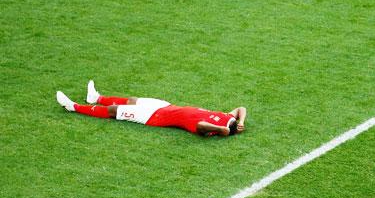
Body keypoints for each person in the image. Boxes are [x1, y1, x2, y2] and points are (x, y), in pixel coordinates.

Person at [56, 81, 247, 136]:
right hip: (165, 106)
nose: (222, 116)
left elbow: (201, 126)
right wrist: (240, 121)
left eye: (225, 120)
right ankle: (96, 97)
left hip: (153, 118)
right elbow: (241, 108)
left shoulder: (209, 129)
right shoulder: (225, 119)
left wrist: (219, 130)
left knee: (115, 111)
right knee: (132, 100)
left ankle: (73, 107)